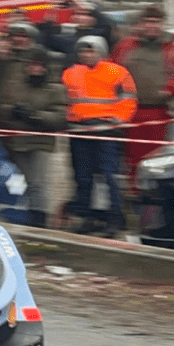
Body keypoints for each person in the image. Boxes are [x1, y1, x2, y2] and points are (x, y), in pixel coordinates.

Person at [62, 36, 136, 237]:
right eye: (83, 51)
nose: (86, 55)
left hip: (107, 132)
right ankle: (88, 218)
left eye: (91, 51)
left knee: (109, 177)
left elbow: (129, 100)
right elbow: (63, 100)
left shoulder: (117, 72)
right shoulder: (70, 73)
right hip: (79, 132)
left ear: (100, 52)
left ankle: (113, 219)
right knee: (83, 177)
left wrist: (116, 122)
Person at [0, 46, 67, 227]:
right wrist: (14, 111)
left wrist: (35, 116)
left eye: (39, 66)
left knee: (37, 182)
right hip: (18, 141)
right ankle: (19, 212)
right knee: (20, 180)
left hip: (40, 142)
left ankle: (39, 218)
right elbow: (2, 107)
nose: (35, 69)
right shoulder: (16, 86)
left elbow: (60, 117)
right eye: (32, 65)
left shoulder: (55, 89)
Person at [110, 5, 174, 175]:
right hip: (129, 110)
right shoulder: (126, 46)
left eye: (156, 22)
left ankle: (152, 188)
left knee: (156, 155)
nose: (152, 26)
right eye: (148, 22)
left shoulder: (171, 49)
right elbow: (111, 68)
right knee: (130, 155)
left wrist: (170, 89)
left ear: (162, 24)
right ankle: (133, 187)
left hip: (159, 112)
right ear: (141, 24)